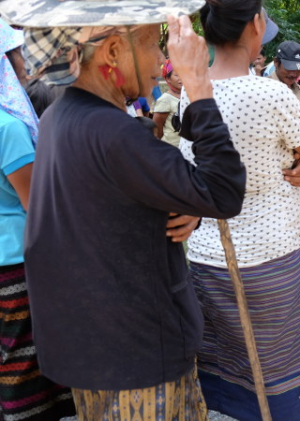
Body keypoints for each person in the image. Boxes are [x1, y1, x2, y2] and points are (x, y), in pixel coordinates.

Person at [5, 0, 249, 416]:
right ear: (113, 51)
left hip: (102, 350)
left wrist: (179, 202)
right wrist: (199, 85)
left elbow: (106, 212)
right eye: (154, 45)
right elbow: (225, 193)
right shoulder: (111, 131)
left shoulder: (62, 117)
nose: (161, 61)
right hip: (136, 358)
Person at [180, 2, 300, 419]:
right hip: (271, 255)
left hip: (208, 254)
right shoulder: (271, 93)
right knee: (279, 364)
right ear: (256, 26)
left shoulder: (193, 93)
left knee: (224, 355)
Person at [0, 20, 76, 421]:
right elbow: (37, 206)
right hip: (14, 263)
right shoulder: (8, 128)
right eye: (18, 56)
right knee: (23, 374)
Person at [270, 40, 300, 109]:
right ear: (276, 62)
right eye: (289, 68)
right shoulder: (263, 89)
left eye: (298, 69)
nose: (294, 74)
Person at [153, 59, 182, 147]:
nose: (181, 78)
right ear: (168, 79)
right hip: (172, 148)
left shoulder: (188, 96)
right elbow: (157, 130)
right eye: (177, 75)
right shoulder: (165, 100)